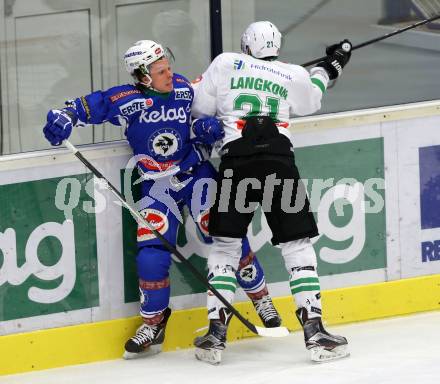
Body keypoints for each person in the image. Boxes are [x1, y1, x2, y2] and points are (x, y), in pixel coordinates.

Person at [42, 39, 281, 359]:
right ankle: (154, 322)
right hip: (157, 187)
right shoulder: (125, 99)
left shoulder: (183, 88)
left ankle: (261, 299)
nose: (169, 73)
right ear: (142, 76)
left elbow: (205, 116)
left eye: (168, 66)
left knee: (225, 232)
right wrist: (64, 117)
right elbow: (87, 107)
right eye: (160, 70)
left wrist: (208, 129)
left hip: (195, 174)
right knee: (150, 254)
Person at [191, 21, 351, 364]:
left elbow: (200, 110)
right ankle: (315, 331)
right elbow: (313, 97)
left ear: (246, 45)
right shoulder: (293, 73)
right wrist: (332, 65)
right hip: (279, 163)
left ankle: (215, 333)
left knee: (225, 245)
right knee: (297, 246)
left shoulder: (225, 63)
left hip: (237, 164)